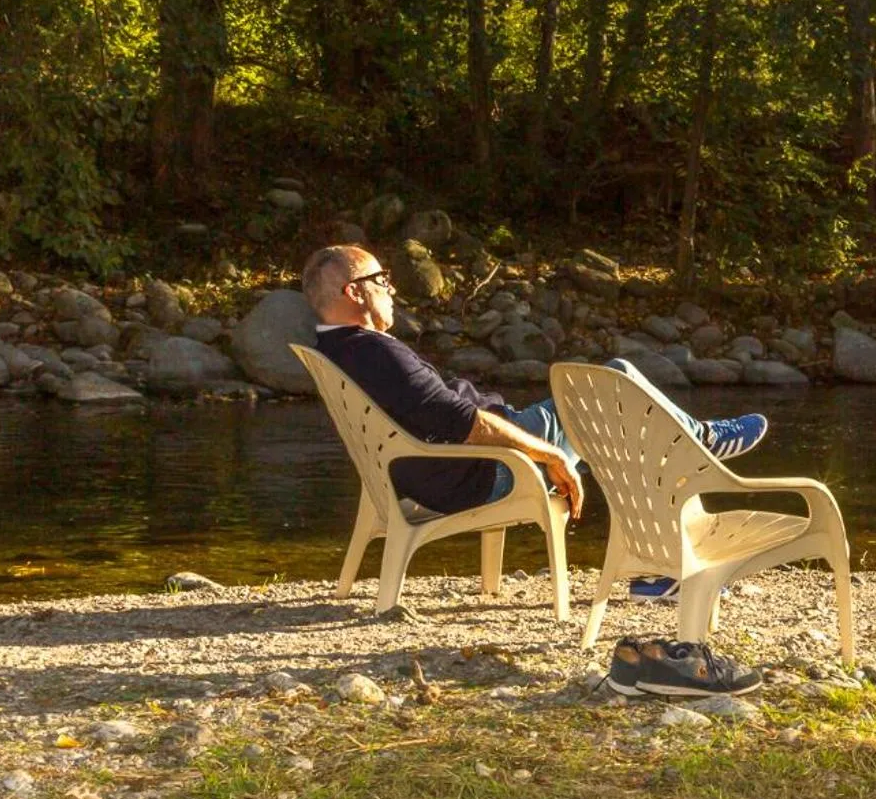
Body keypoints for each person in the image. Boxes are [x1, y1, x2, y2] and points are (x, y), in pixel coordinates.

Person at [300, 243, 769, 608]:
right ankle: (696, 453)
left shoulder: (340, 350)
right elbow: (463, 423)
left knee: (616, 412)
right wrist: (548, 454)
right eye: (381, 279)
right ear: (354, 291)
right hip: (479, 471)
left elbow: (449, 416)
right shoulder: (374, 352)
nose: (391, 288)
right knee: (613, 383)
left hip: (438, 471)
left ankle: (666, 558)